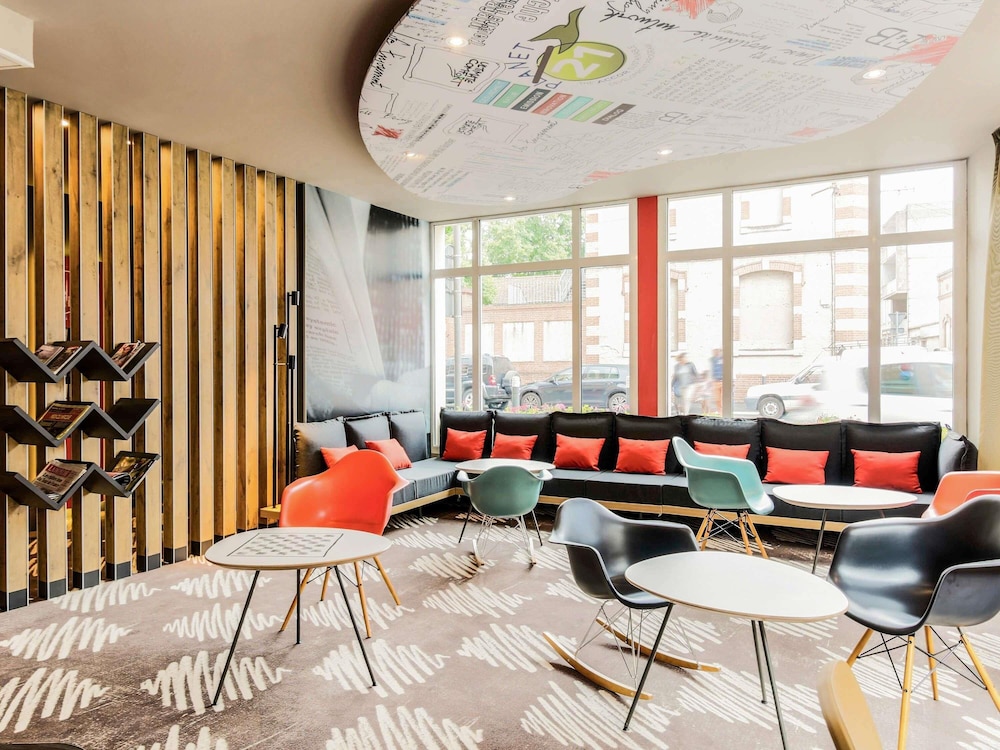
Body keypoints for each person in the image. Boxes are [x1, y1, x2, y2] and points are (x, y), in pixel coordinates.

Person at [710, 348, 723, 414]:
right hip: (715, 381)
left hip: (723, 381)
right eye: (714, 351)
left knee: (722, 398)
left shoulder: (723, 359)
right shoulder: (712, 360)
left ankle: (723, 411)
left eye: (717, 351)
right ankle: (720, 411)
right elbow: (711, 370)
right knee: (717, 399)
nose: (716, 353)